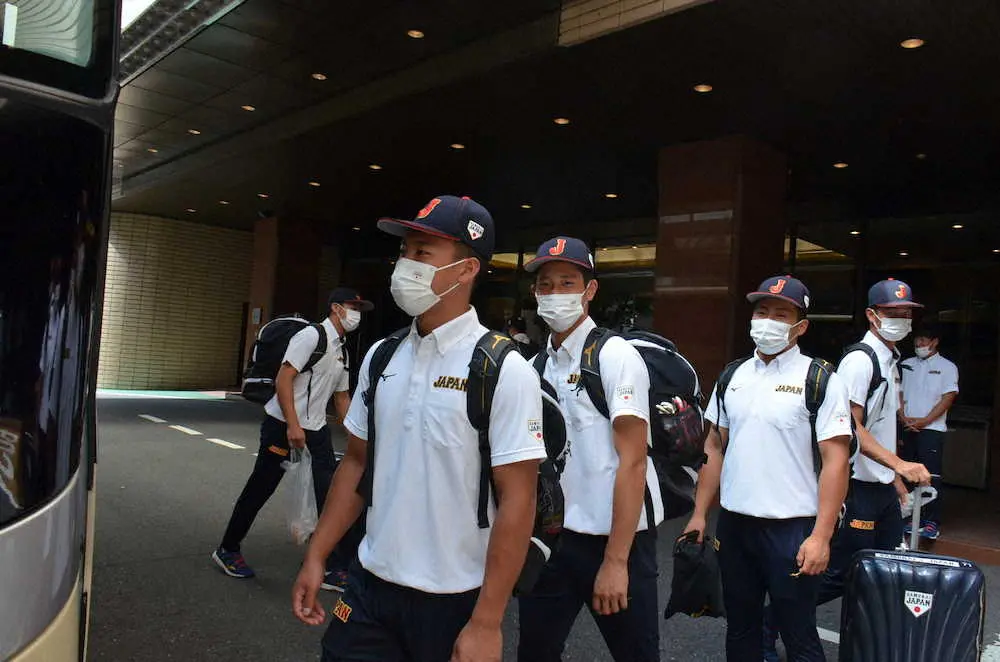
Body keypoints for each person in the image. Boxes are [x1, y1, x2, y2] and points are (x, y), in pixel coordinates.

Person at [292, 195, 546, 662]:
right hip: (369, 584)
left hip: (454, 598)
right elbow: (356, 462)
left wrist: (487, 623)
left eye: (423, 253)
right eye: (405, 251)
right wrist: (318, 553)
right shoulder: (383, 355)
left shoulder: (502, 368)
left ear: (467, 270)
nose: (406, 264)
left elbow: (519, 499)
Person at [684, 275, 853, 662]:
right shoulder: (733, 376)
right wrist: (699, 513)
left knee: (798, 632)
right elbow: (714, 445)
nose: (769, 321)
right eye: (762, 312)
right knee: (741, 628)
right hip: (736, 525)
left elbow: (836, 460)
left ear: (801, 325)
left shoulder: (819, 378)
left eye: (782, 314)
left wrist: (821, 537)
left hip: (792, 529)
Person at [763, 279, 934, 659]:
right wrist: (899, 465)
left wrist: (893, 480)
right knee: (840, 573)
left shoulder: (889, 359)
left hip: (880, 488)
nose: (902, 320)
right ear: (873, 316)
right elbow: (850, 428)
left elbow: (881, 426)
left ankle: (869, 642)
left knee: (882, 571)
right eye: (893, 313)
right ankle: (770, 621)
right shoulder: (861, 361)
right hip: (856, 488)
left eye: (906, 314)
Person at [517, 236, 661, 662]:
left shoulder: (616, 357)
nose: (555, 294)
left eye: (567, 283)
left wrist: (616, 562)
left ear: (590, 290)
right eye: (546, 285)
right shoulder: (533, 367)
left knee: (636, 653)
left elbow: (633, 463)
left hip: (618, 540)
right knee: (535, 652)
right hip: (553, 539)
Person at [213, 288, 373, 586]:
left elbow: (341, 398)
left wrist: (356, 436)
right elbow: (284, 378)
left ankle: (328, 565)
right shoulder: (311, 337)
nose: (357, 314)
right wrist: (292, 424)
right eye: (354, 307)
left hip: (316, 431)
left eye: (360, 308)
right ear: (336, 308)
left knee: (332, 495)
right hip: (282, 425)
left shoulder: (342, 349)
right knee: (261, 488)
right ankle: (228, 549)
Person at [900, 324, 958, 539]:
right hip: (907, 427)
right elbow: (898, 393)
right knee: (906, 473)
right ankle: (907, 517)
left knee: (930, 476)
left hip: (932, 429)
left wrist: (925, 421)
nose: (919, 345)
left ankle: (931, 522)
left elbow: (948, 398)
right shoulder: (906, 364)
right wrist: (903, 416)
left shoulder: (947, 367)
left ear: (935, 342)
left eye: (924, 340)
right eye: (917, 340)